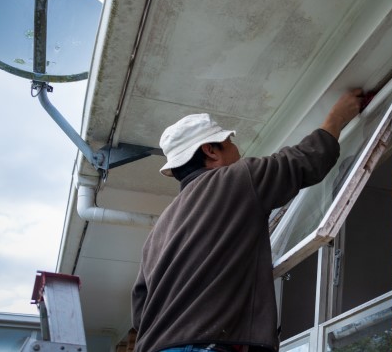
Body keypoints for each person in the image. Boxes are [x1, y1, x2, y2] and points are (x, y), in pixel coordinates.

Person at [132, 89, 364, 352]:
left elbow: (140, 312)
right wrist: (338, 116)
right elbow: (307, 160)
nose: (237, 149)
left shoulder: (158, 231)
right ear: (211, 151)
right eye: (228, 142)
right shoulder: (238, 179)